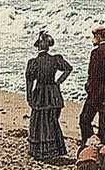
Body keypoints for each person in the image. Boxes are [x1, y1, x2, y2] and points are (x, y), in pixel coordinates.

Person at [25, 31, 73, 160]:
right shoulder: (54, 59)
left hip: (41, 93)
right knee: (52, 121)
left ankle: (40, 152)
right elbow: (68, 68)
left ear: (39, 46)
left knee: (39, 122)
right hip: (53, 94)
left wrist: (29, 97)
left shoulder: (34, 62)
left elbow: (29, 82)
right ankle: (54, 151)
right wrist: (58, 82)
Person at [79, 25, 105, 151]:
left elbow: (91, 75)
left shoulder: (95, 53)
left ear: (98, 37)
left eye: (94, 37)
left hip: (95, 94)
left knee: (84, 120)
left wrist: (89, 89)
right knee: (104, 127)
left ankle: (89, 145)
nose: (93, 39)